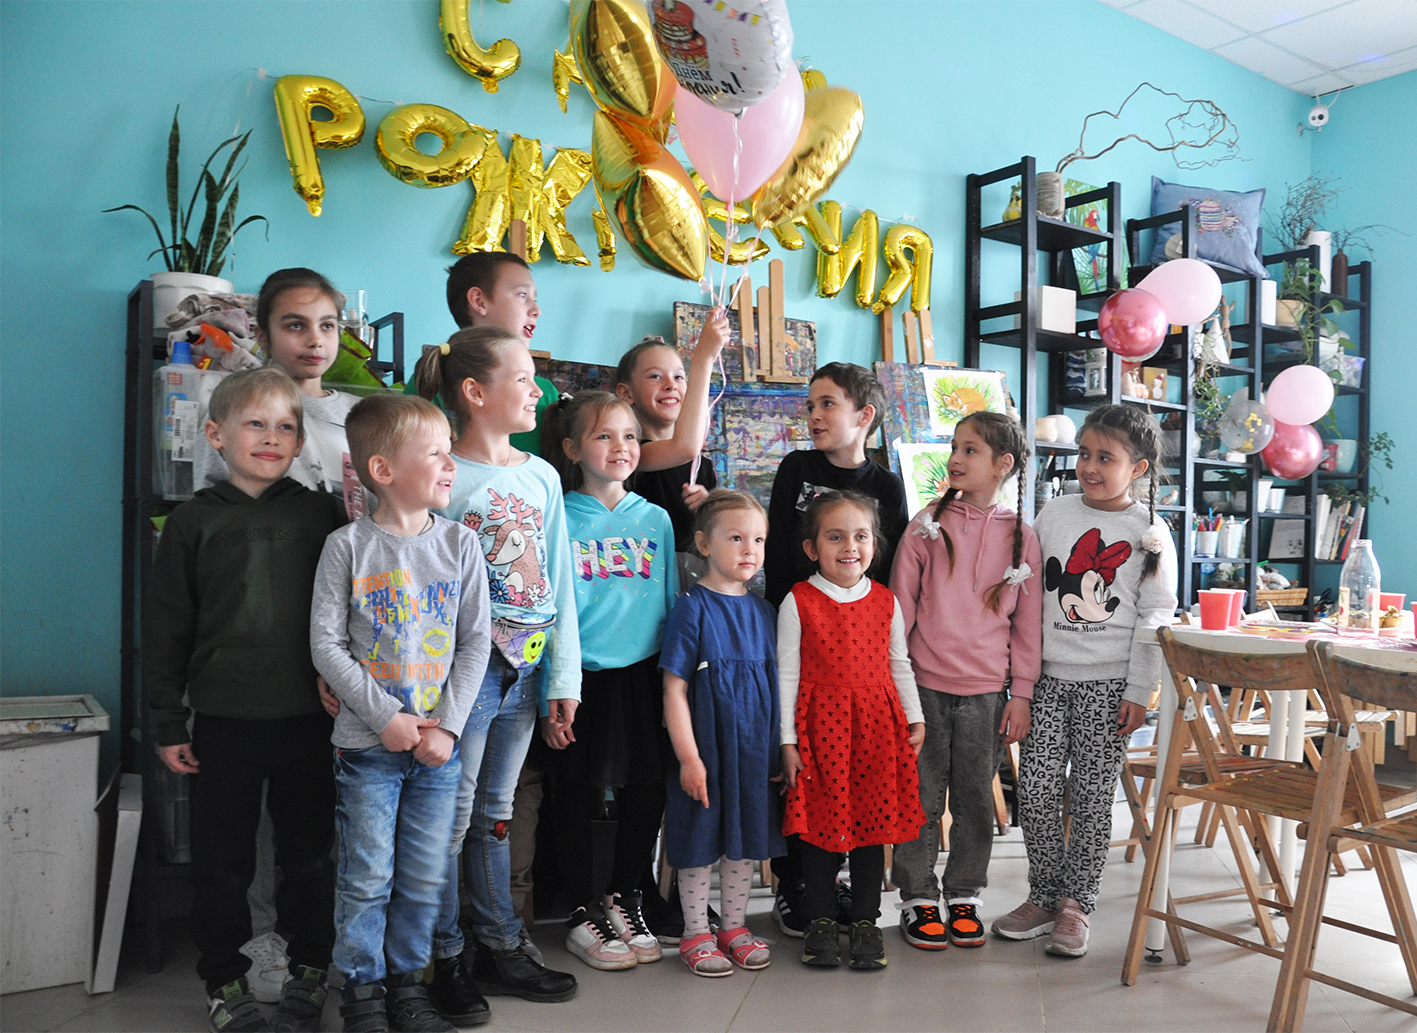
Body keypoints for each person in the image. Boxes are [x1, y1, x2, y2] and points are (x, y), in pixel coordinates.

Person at [145, 368, 345, 1033]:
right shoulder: (192, 522)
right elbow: (166, 629)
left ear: (300, 441)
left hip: (311, 722)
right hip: (223, 723)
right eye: (255, 423)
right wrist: (169, 720)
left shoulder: (323, 514)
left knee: (310, 860)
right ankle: (223, 982)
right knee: (223, 865)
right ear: (215, 434)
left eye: (285, 426)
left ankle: (310, 971)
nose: (271, 436)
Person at [309, 392, 490, 1033]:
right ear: (382, 470)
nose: (450, 465)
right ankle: (363, 992)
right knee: (367, 877)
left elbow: (475, 643)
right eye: (435, 453)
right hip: (368, 749)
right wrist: (385, 717)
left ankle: (409, 988)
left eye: (449, 452)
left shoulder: (461, 545)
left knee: (422, 878)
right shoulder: (346, 547)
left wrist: (448, 727)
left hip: (438, 753)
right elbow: (326, 645)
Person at [415, 327, 582, 1020]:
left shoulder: (541, 474)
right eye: (522, 378)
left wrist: (563, 679)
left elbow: (559, 578)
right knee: (450, 818)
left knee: (495, 813)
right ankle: (444, 954)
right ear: (474, 392)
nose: (537, 391)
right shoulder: (443, 477)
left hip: (527, 669)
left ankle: (499, 943)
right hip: (466, 675)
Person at [992, 404, 1177, 958]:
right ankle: (1044, 896)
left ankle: (1078, 903)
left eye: (1105, 458)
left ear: (1138, 469)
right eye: (1084, 454)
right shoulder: (1053, 513)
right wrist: (1020, 683)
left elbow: (1156, 615)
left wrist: (1139, 691)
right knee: (1037, 790)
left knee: (1094, 798)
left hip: (1111, 687)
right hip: (1048, 681)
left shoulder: (1149, 531)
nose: (1090, 467)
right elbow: (1028, 597)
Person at [763, 361, 910, 937]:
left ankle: (842, 886)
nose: (814, 415)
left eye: (827, 404)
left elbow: (888, 570)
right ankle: (795, 884)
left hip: (857, 644)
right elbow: (778, 551)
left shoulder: (886, 486)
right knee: (803, 774)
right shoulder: (795, 467)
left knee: (853, 777)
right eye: (810, 405)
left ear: (864, 414)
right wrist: (795, 611)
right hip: (799, 624)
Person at [888, 412, 1042, 951]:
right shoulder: (925, 526)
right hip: (923, 690)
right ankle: (917, 896)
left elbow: (1028, 625)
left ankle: (964, 894)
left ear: (1003, 464)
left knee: (976, 798)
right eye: (954, 446)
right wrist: (895, 686)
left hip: (987, 695)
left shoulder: (1023, 537)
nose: (955, 458)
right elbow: (899, 611)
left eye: (970, 450)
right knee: (920, 797)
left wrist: (1022, 693)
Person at [543, 391, 679, 971]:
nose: (621, 447)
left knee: (646, 788)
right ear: (573, 448)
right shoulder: (557, 514)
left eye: (629, 435)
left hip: (644, 674)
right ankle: (580, 907)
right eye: (604, 436)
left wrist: (676, 681)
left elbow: (670, 603)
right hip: (581, 678)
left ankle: (627, 895)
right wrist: (554, 686)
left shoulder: (656, 518)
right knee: (574, 789)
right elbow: (551, 606)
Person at [778, 490, 926, 971]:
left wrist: (915, 716)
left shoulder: (885, 600)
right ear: (811, 548)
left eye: (861, 536)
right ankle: (820, 920)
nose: (850, 547)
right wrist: (787, 741)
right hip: (820, 732)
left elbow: (899, 664)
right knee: (819, 829)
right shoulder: (799, 600)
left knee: (871, 828)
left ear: (874, 544)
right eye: (835, 536)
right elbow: (786, 675)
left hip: (876, 731)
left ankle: (865, 920)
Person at [659, 490, 784, 977]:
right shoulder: (692, 608)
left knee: (743, 840)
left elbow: (777, 687)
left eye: (759, 540)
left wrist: (780, 751)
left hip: (754, 753)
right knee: (698, 840)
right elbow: (674, 689)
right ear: (704, 545)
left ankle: (733, 927)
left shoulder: (765, 612)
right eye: (736, 538)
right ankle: (696, 930)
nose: (749, 549)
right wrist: (689, 758)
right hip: (707, 752)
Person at [195, 268, 363, 515]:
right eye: (296, 325)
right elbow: (206, 505)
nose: (315, 340)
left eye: (327, 325)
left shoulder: (362, 412)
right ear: (262, 337)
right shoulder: (234, 405)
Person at [613, 310, 729, 575]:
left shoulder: (702, 466)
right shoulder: (629, 454)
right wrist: (704, 358)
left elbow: (718, 535)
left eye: (679, 376)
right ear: (626, 393)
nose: (670, 385)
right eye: (655, 376)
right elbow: (684, 447)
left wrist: (708, 509)